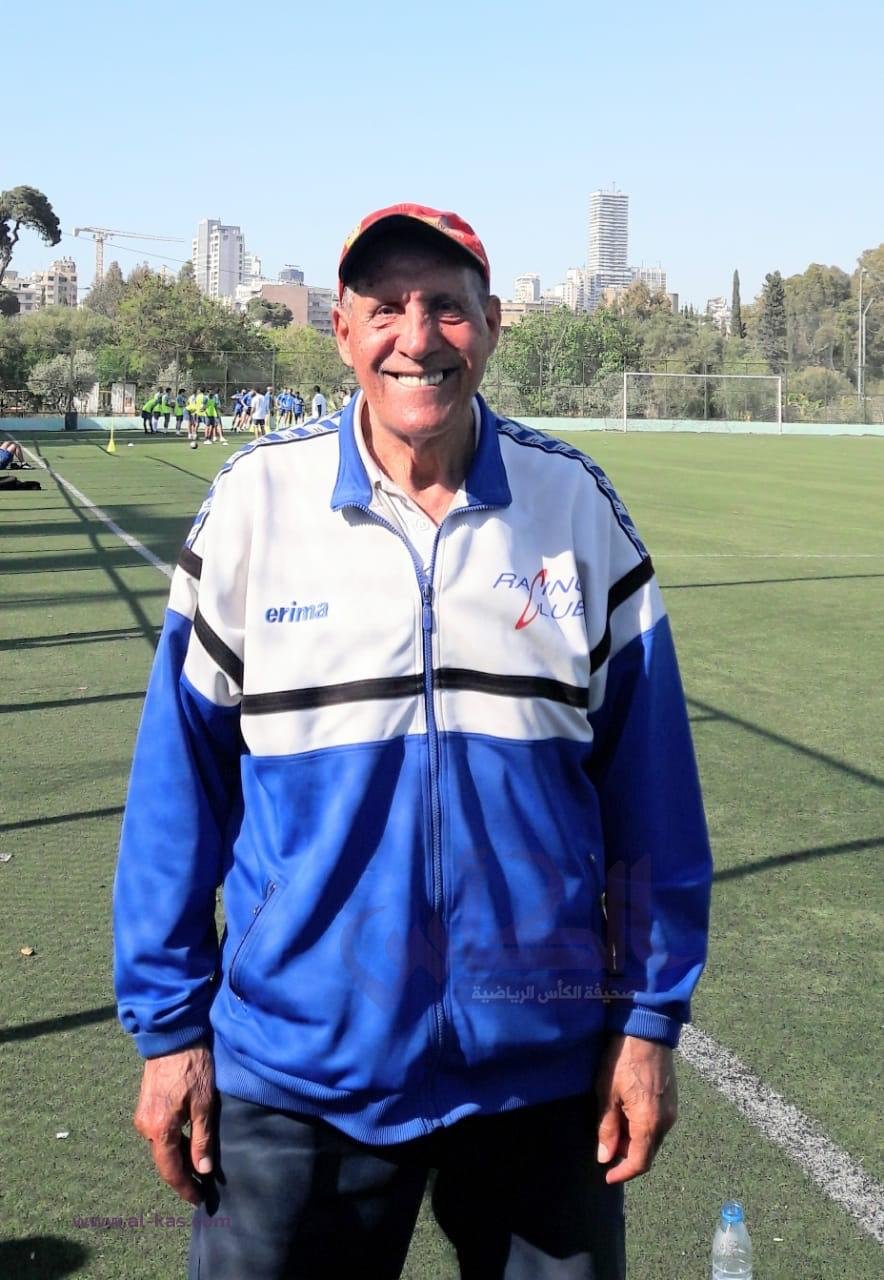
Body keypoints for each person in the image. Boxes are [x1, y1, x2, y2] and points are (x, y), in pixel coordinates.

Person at [114, 202, 712, 1280]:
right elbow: (178, 789)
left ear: (492, 324)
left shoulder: (573, 504)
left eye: (446, 305)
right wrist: (168, 1029)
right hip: (300, 1071)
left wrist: (648, 1020)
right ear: (340, 330)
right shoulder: (255, 503)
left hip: (539, 1070)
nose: (417, 336)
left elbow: (652, 794)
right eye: (386, 307)